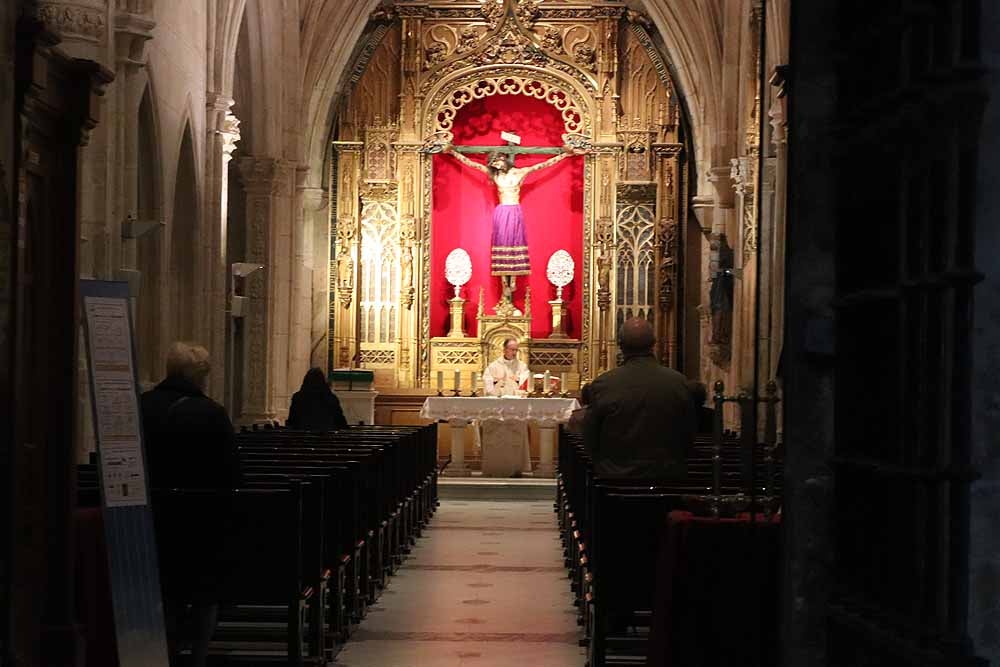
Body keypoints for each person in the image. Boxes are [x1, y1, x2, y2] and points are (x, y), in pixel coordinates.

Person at [141, 341, 235, 667]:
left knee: (163, 590)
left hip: (150, 518)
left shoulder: (142, 406)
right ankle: (196, 657)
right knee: (205, 593)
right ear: (201, 377)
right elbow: (231, 472)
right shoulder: (212, 413)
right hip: (200, 523)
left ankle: (159, 652)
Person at [446, 141, 583, 308]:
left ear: (504, 158)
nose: (496, 164)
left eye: (497, 161)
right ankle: (506, 288)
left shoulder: (520, 172)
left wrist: (565, 154)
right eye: (493, 163)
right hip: (502, 212)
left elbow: (543, 165)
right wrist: (453, 152)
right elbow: (472, 164)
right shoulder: (495, 176)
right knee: (502, 246)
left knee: (515, 244)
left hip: (514, 212)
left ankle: (513, 283)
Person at [584, 318, 694, 479]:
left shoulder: (604, 384)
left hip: (615, 478)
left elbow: (591, 436)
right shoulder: (678, 382)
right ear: (654, 343)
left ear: (620, 345)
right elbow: (689, 434)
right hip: (667, 478)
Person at [480, 337, 532, 476]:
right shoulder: (493, 366)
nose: (514, 352)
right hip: (497, 406)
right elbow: (487, 384)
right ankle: (494, 468)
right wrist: (496, 382)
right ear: (504, 349)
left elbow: (528, 383)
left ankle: (515, 468)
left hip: (516, 406)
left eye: (516, 350)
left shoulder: (521, 366)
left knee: (515, 437)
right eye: (512, 349)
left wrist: (519, 380)